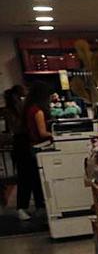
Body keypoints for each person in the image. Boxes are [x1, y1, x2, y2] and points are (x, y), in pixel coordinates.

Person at [15, 82, 50, 221]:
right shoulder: (38, 111)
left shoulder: (28, 108)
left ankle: (34, 208)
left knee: (28, 179)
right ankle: (29, 208)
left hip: (23, 148)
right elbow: (42, 133)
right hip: (31, 148)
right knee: (30, 179)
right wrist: (54, 134)